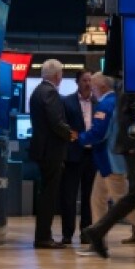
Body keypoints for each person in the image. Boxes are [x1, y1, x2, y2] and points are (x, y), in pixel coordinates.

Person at [75, 74, 135, 259]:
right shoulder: (116, 101)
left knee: (123, 203)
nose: (91, 89)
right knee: (97, 199)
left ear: (102, 87)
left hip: (111, 162)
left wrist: (79, 138)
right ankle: (98, 240)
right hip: (107, 162)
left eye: (93, 86)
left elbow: (99, 133)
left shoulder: (106, 104)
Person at [27, 58, 76, 249]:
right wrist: (70, 134)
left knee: (45, 193)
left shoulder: (37, 91)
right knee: (48, 195)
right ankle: (43, 237)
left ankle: (43, 236)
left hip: (42, 150)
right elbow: (56, 122)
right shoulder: (50, 92)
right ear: (57, 75)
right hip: (51, 151)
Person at [58, 70, 95, 245]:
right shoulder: (67, 101)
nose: (88, 83)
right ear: (77, 82)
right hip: (73, 154)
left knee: (89, 196)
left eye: (90, 80)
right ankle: (67, 234)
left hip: (92, 155)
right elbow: (63, 126)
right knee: (69, 196)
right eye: (84, 80)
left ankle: (86, 232)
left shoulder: (98, 102)